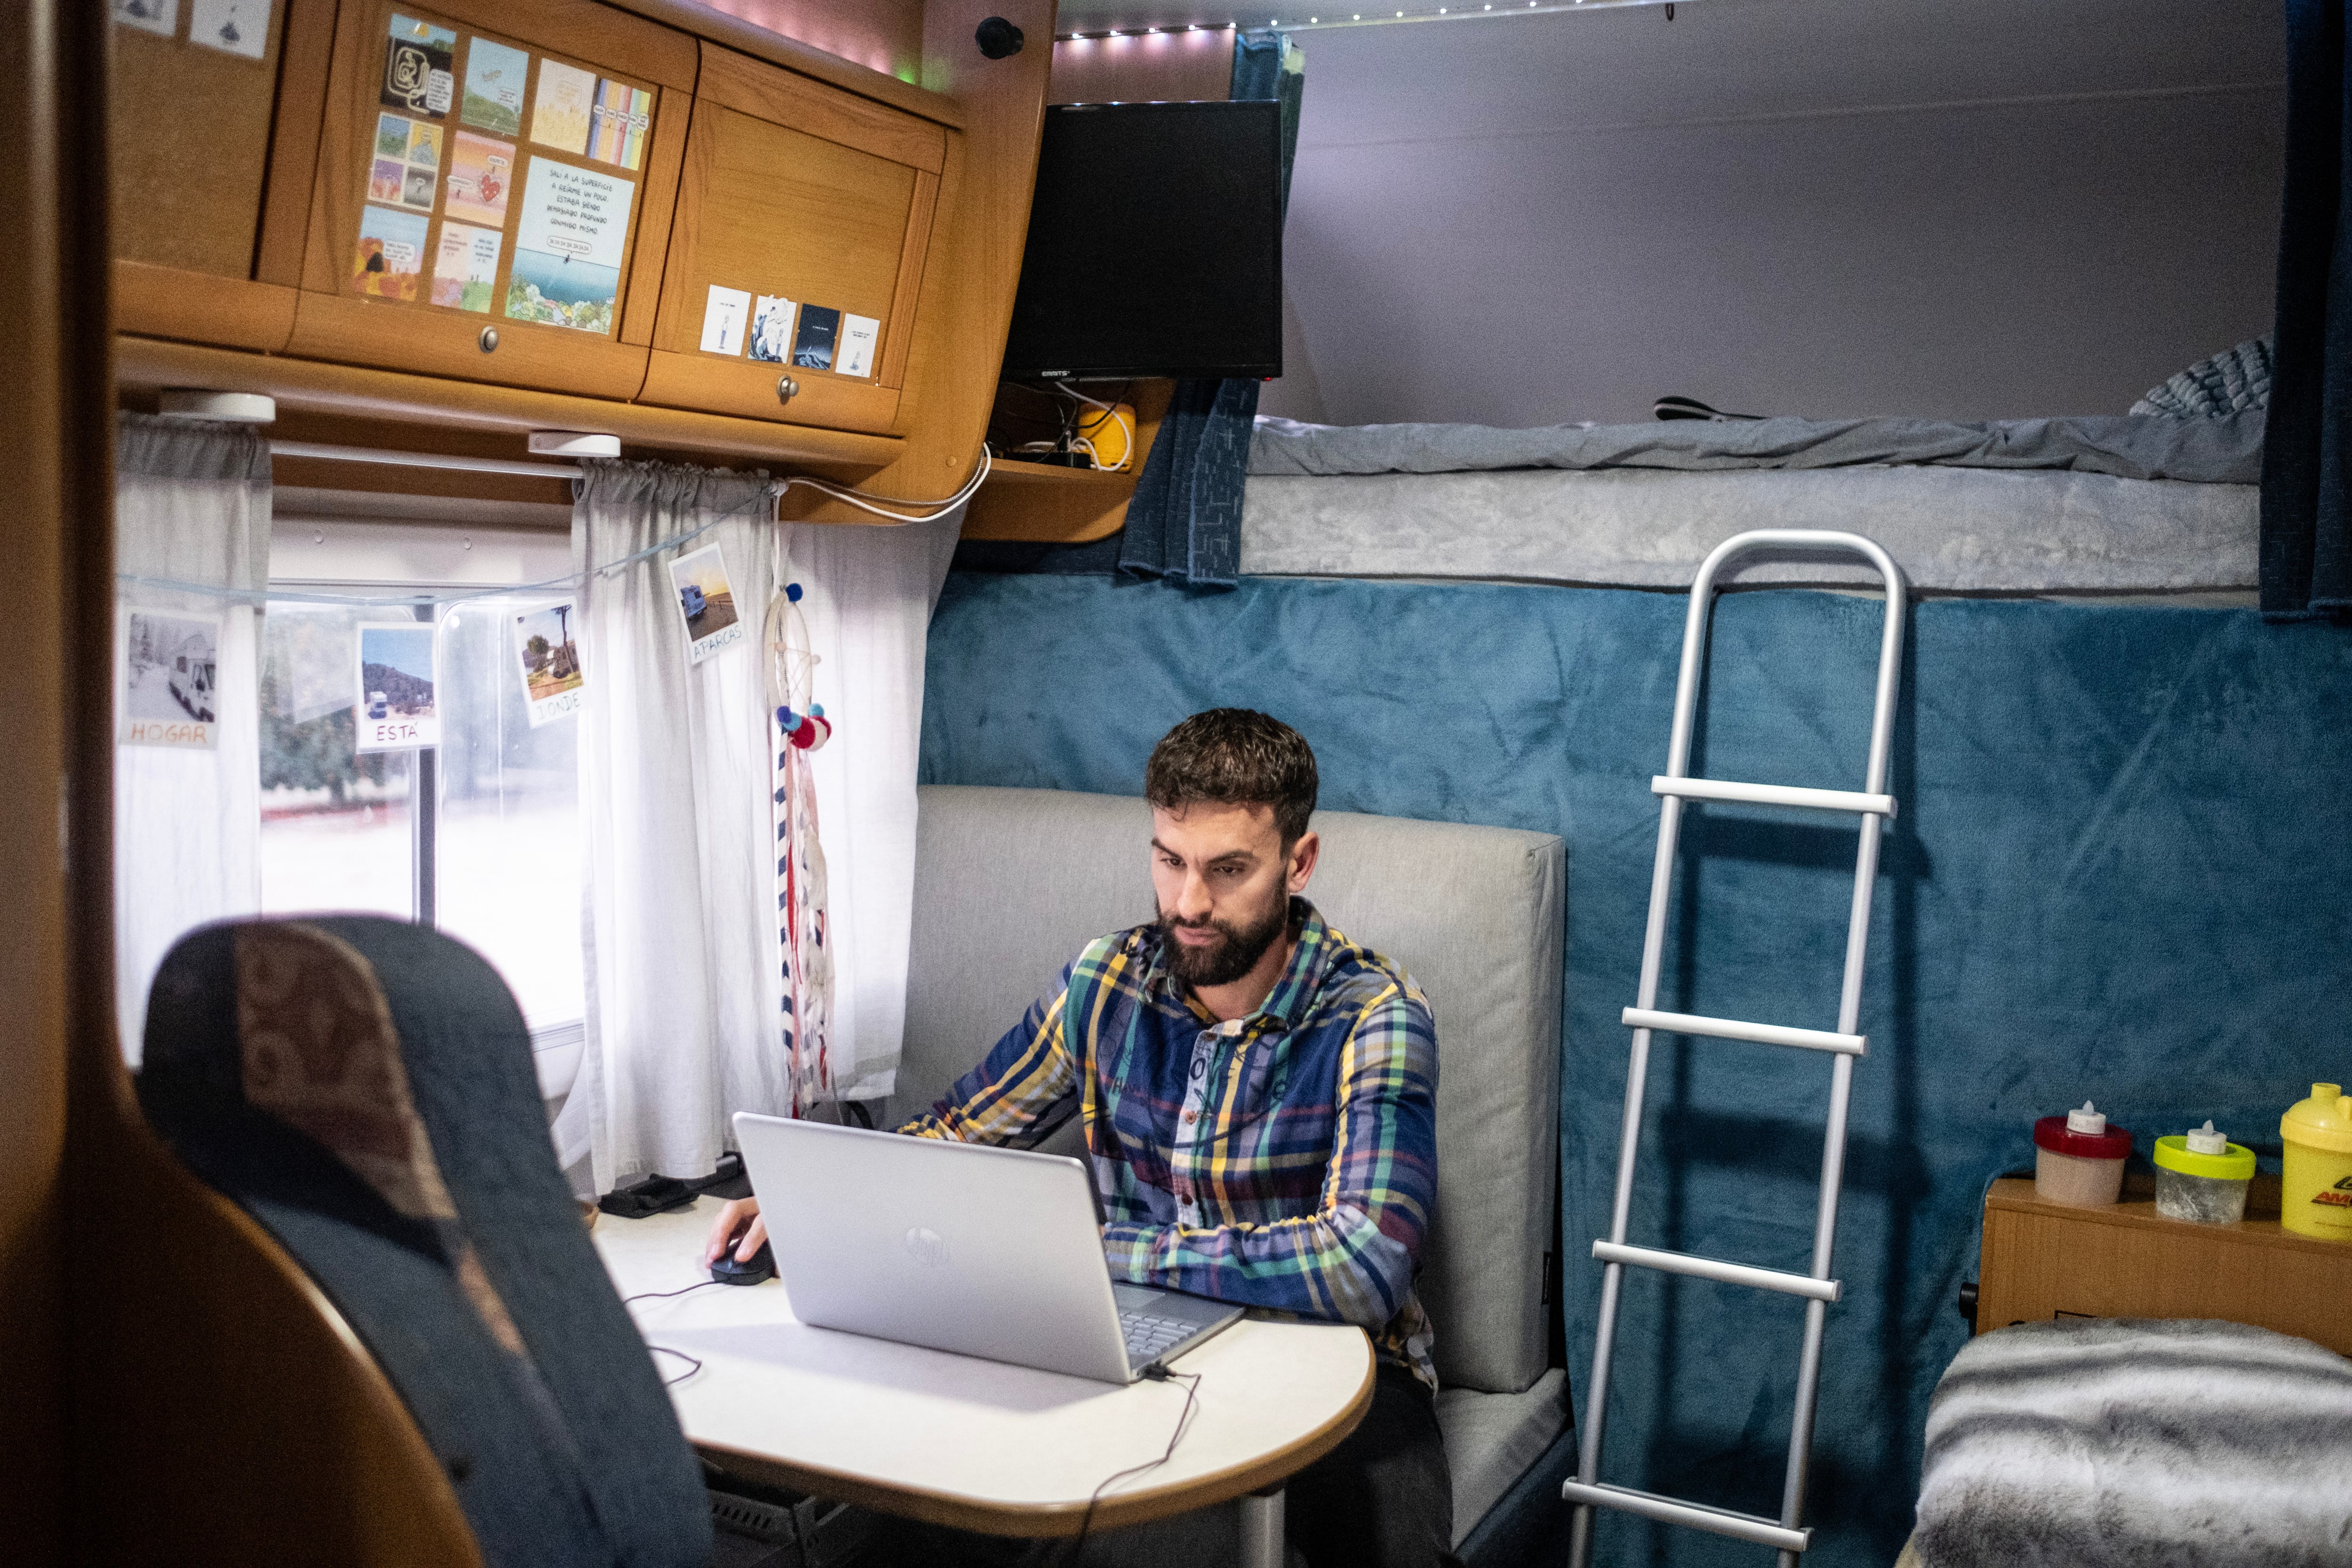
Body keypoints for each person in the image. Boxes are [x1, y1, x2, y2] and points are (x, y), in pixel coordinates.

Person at [706, 709, 1455, 1567]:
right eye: (1169, 860)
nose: (1189, 903)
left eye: (1229, 869)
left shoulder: (1375, 1016)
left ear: (1300, 861)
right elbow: (959, 1132)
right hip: (1117, 1333)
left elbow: (1361, 1268)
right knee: (901, 1531)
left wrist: (1108, 1251)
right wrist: (816, 1200)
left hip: (1348, 1373)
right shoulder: (1107, 980)